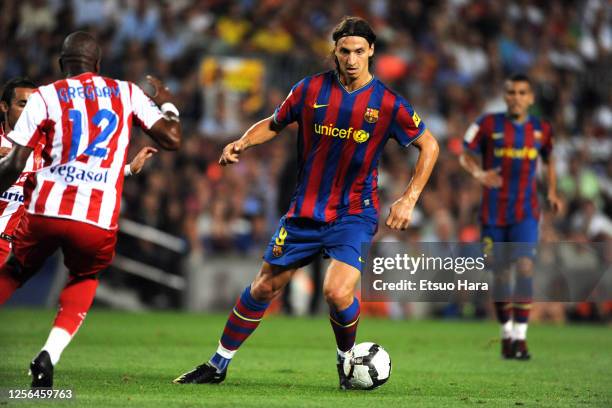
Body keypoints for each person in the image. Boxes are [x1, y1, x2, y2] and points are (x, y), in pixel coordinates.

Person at [174, 16, 439, 389]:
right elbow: (274, 121)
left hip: (353, 214)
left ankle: (346, 363)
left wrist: (409, 199)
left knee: (336, 291)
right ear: (335, 50)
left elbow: (430, 145)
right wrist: (242, 143)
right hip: (304, 212)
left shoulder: (388, 103)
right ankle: (218, 364)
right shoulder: (309, 90)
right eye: (345, 51)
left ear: (371, 52)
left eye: (359, 52)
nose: (351, 59)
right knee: (264, 287)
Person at [0, 31, 181, 388]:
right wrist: (169, 103)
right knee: (84, 276)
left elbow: (16, 163)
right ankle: (49, 354)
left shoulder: (46, 95)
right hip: (95, 218)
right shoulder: (126, 92)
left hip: (46, 209)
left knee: (15, 270)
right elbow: (172, 138)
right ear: (98, 65)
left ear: (61, 65)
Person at [0, 77, 158, 263]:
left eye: (31, 106)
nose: (28, 111)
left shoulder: (48, 146)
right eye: (22, 104)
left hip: (14, 249)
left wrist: (129, 169)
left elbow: (82, 173)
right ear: (4, 107)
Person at [460, 73, 562, 360]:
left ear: (530, 98)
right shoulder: (487, 124)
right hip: (492, 214)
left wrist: (552, 192)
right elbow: (464, 153)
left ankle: (521, 338)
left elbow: (550, 159)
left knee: (526, 266)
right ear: (505, 96)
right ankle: (506, 334)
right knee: (501, 273)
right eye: (511, 92)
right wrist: (479, 173)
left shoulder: (542, 130)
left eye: (521, 92)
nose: (516, 97)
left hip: (526, 213)